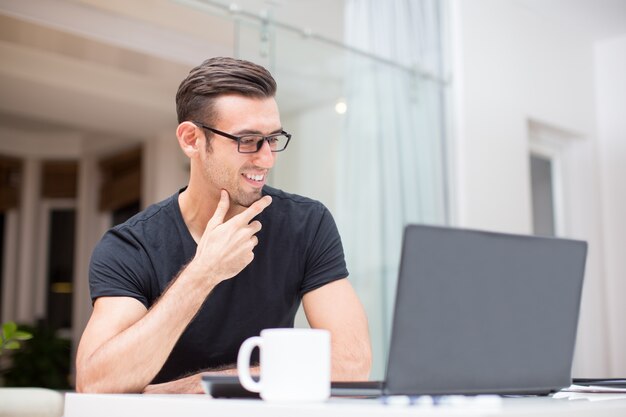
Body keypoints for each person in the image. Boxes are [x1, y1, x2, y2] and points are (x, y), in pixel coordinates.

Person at [76, 57, 372, 394]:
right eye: (247, 140)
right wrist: (204, 273)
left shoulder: (306, 224)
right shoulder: (131, 246)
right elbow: (96, 382)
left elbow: (351, 363)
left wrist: (201, 385)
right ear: (191, 140)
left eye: (273, 139)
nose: (266, 158)